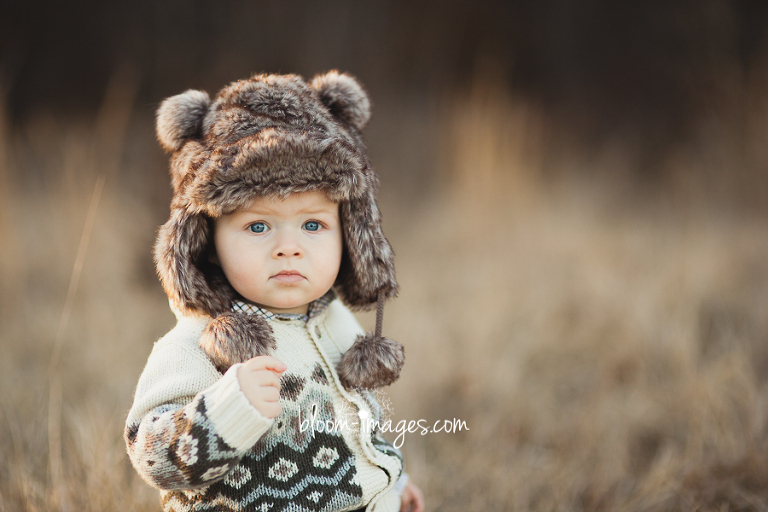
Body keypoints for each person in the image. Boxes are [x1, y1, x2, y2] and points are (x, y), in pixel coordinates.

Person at [125, 71, 425, 512]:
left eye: (312, 224)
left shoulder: (334, 321)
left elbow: (353, 427)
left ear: (351, 233)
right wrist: (223, 414)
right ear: (206, 238)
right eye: (258, 226)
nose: (289, 248)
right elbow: (149, 453)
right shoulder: (195, 345)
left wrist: (390, 485)